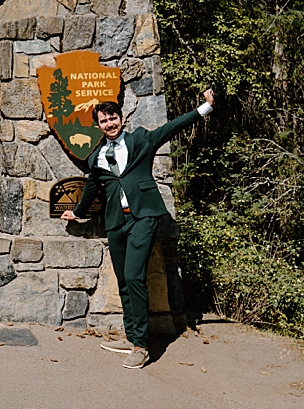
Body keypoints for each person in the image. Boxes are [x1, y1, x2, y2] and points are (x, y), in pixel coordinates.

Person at [62, 88, 215, 369]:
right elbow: (92, 189)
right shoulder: (96, 157)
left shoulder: (141, 140)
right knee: (123, 280)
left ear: (121, 119)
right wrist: (78, 213)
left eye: (113, 118)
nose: (110, 123)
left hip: (144, 217)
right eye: (104, 120)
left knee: (134, 276)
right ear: (98, 126)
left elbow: (171, 128)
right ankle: (132, 337)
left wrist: (203, 108)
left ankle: (142, 347)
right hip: (116, 223)